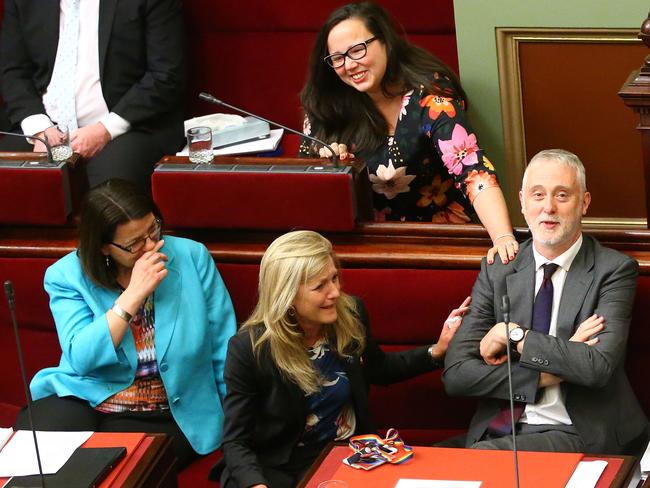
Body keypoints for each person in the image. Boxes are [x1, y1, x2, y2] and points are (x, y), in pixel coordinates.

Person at [215, 230, 471, 488]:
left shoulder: (350, 313)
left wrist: (437, 351)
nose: (335, 292)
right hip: (277, 467)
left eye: (334, 277)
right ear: (287, 296)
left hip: (347, 457)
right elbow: (236, 441)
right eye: (320, 286)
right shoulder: (249, 348)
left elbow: (380, 369)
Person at [15, 179, 236, 469]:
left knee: (111, 467)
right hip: (87, 393)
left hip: (167, 406)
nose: (152, 246)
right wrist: (131, 297)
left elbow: (224, 346)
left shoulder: (191, 257)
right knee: (36, 452)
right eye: (134, 244)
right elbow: (82, 359)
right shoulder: (66, 276)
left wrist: (236, 424)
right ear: (105, 248)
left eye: (153, 229)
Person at [443, 149, 649, 455]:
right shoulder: (499, 268)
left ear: (585, 203)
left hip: (577, 431)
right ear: (523, 202)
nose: (548, 208)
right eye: (538, 195)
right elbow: (458, 375)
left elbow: (597, 368)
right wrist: (559, 364)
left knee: (477, 464)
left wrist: (513, 336)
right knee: (413, 463)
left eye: (562, 195)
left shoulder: (613, 270)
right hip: (500, 429)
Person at [299, 2, 517, 265]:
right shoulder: (324, 109)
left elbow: (471, 169)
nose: (349, 65)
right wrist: (330, 167)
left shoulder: (429, 95)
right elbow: (306, 193)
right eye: (337, 58)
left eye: (358, 50)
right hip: (360, 246)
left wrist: (503, 237)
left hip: (441, 238)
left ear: (385, 42)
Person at [0, 0, 186, 190]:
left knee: (109, 195)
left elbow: (165, 75)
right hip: (44, 123)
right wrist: (39, 128)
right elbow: (13, 70)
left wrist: (105, 129)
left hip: (128, 125)